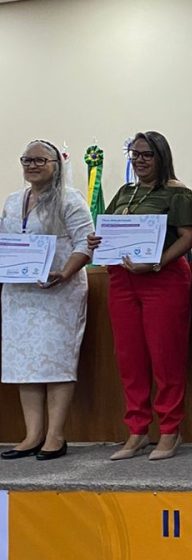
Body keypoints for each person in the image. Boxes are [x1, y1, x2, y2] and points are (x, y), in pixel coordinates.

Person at [86, 132, 192, 461]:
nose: (139, 160)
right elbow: (107, 229)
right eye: (134, 154)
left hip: (162, 279)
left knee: (166, 358)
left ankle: (170, 430)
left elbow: (189, 238)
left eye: (146, 154)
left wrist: (157, 262)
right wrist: (96, 242)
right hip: (122, 281)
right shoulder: (125, 192)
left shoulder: (178, 192)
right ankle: (137, 430)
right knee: (130, 359)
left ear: (161, 156)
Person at [0, 140, 93, 461]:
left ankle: (55, 436)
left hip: (59, 292)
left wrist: (65, 273)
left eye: (40, 160)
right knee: (24, 363)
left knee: (55, 361)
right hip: (18, 293)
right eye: (27, 160)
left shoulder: (70, 199)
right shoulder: (13, 201)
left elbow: (86, 243)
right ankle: (32, 435)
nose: (32, 165)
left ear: (57, 164)